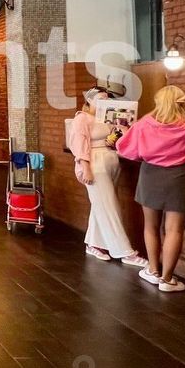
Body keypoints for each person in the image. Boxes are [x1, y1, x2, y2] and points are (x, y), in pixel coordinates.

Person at [117, 86, 185, 293]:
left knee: (150, 227)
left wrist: (155, 111)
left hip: (150, 175)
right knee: (174, 230)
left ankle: (153, 271)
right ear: (182, 103)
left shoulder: (144, 124)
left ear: (159, 103)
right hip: (180, 176)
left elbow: (124, 148)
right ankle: (167, 279)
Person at [69, 87, 147, 267]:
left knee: (102, 204)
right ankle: (124, 251)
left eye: (106, 98)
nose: (104, 101)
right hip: (95, 163)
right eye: (100, 98)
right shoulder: (82, 118)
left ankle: (93, 244)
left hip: (111, 160)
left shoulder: (107, 117)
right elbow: (78, 144)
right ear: (89, 100)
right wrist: (85, 167)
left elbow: (115, 139)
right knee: (109, 206)